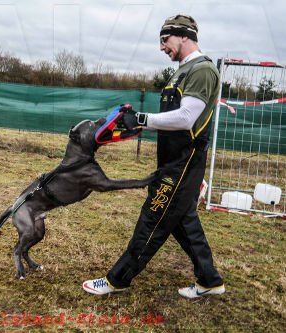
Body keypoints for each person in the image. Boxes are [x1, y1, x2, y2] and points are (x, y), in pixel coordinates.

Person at [82, 14, 225, 299]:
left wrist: (143, 119)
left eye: (165, 40)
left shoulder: (202, 70)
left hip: (183, 163)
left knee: (153, 217)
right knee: (183, 221)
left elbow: (187, 118)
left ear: (184, 35)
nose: (162, 47)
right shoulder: (182, 71)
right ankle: (210, 280)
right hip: (173, 161)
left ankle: (118, 279)